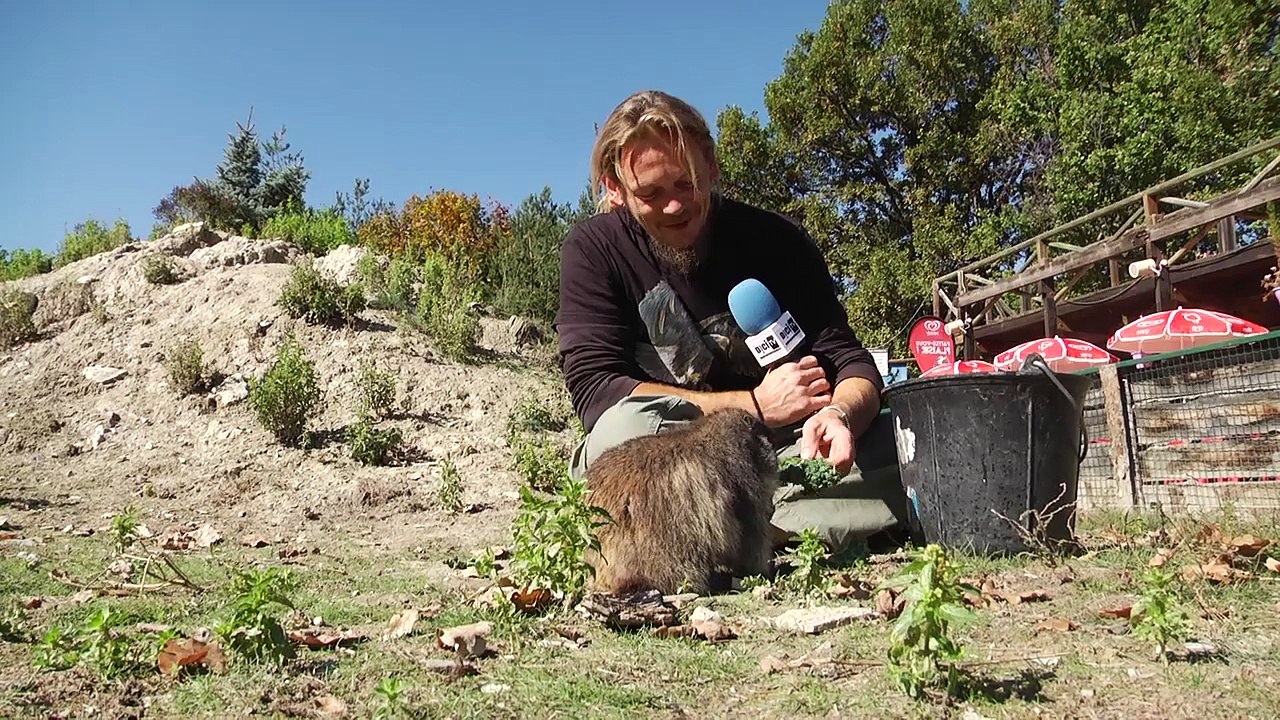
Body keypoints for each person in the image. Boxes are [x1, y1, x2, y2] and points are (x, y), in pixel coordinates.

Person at [553, 90, 908, 552]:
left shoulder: (776, 240)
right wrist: (756, 404)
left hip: (777, 457)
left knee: (906, 436)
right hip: (670, 464)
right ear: (615, 189)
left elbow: (850, 362)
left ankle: (727, 533)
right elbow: (597, 391)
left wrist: (839, 414)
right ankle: (779, 528)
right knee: (619, 430)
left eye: (687, 184)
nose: (675, 206)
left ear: (712, 167)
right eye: (651, 194)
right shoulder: (593, 249)